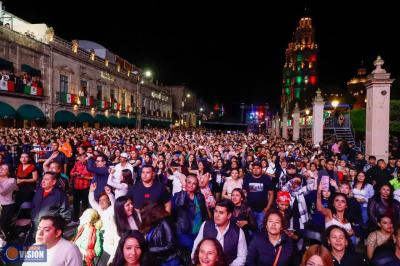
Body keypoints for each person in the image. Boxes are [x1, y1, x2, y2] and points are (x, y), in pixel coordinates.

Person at [192, 199, 247, 266]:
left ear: (229, 215)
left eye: (221, 213)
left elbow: (242, 257)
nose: (217, 215)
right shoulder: (206, 225)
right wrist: (195, 262)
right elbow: (196, 245)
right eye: (216, 211)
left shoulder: (238, 233)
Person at [172, 174, 208, 250]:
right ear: (185, 183)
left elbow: (204, 212)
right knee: (193, 249)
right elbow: (180, 204)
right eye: (189, 182)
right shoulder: (177, 196)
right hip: (184, 231)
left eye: (194, 183)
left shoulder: (199, 196)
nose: (191, 185)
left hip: (199, 230)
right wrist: (184, 190)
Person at [242, 161, 274, 230]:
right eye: (254, 168)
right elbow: (244, 193)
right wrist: (246, 206)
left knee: (261, 228)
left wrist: (267, 208)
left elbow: (271, 194)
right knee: (250, 228)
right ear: (251, 169)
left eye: (258, 168)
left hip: (263, 210)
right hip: (250, 209)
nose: (256, 170)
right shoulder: (247, 178)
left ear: (261, 169)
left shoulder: (266, 178)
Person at [70, 153, 93, 225]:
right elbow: (71, 173)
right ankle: (75, 220)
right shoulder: (77, 163)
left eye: (82, 157)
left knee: (85, 204)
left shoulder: (90, 165)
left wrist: (84, 177)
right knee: (75, 204)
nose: (80, 159)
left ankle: (86, 220)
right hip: (76, 187)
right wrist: (75, 173)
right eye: (80, 157)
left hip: (85, 187)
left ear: (86, 158)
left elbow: (93, 177)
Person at [0, 164, 17, 237]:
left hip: (6, 206)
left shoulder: (11, 180)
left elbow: (2, 192)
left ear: (9, 172)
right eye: (0, 168)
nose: (1, 169)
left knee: (3, 227)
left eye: (5, 169)